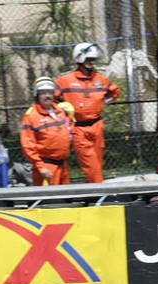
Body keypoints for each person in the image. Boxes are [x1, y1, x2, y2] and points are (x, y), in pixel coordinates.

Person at [55, 42, 120, 183]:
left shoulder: (101, 79)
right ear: (79, 59)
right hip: (79, 128)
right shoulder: (65, 80)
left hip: (97, 126)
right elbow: (52, 98)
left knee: (97, 163)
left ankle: (91, 194)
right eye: (88, 59)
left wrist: (102, 103)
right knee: (91, 166)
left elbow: (115, 92)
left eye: (93, 59)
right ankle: (101, 193)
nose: (92, 62)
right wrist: (62, 110)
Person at [20, 77, 72, 186]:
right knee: (50, 201)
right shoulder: (31, 116)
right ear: (36, 95)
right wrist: (41, 167)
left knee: (66, 198)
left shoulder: (59, 111)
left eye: (50, 92)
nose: (47, 95)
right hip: (46, 168)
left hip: (62, 165)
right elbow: (28, 145)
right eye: (43, 92)